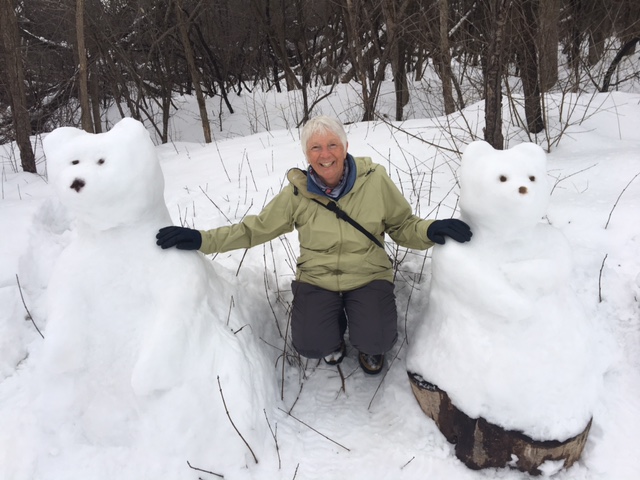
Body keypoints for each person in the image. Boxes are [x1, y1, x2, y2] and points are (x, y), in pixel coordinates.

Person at [156, 116, 472, 375]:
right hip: (317, 279)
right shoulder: (298, 193)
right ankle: (332, 334)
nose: (325, 154)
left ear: (345, 146)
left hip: (368, 275)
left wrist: (432, 229)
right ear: (307, 155)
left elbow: (403, 225)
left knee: (378, 338)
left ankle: (367, 343)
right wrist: (202, 239)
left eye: (332, 144)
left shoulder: (374, 181)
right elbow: (255, 229)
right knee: (310, 344)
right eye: (316, 148)